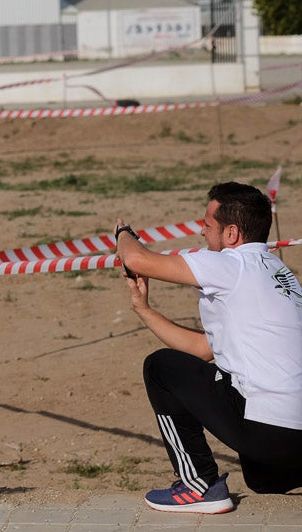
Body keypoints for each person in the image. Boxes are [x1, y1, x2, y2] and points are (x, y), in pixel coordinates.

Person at [115, 182, 302, 514]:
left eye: (207, 225)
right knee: (261, 478)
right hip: (290, 435)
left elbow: (136, 258)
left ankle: (198, 485)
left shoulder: (231, 265)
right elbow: (202, 349)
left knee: (161, 368)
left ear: (231, 234)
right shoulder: (279, 271)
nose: (202, 232)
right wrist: (144, 309)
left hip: (271, 427)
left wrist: (123, 233)